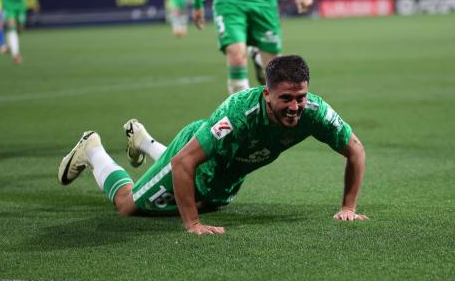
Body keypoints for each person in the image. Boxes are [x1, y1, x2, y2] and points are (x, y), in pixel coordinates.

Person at [58, 55, 368, 235]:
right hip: (196, 156)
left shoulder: (316, 112)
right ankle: (93, 149)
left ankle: (144, 141)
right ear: (267, 94)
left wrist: (348, 208)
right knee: (128, 207)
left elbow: (355, 148)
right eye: (285, 98)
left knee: (209, 201)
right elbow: (183, 163)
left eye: (300, 97)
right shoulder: (237, 115)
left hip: (226, 171)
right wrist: (193, 224)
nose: (294, 107)